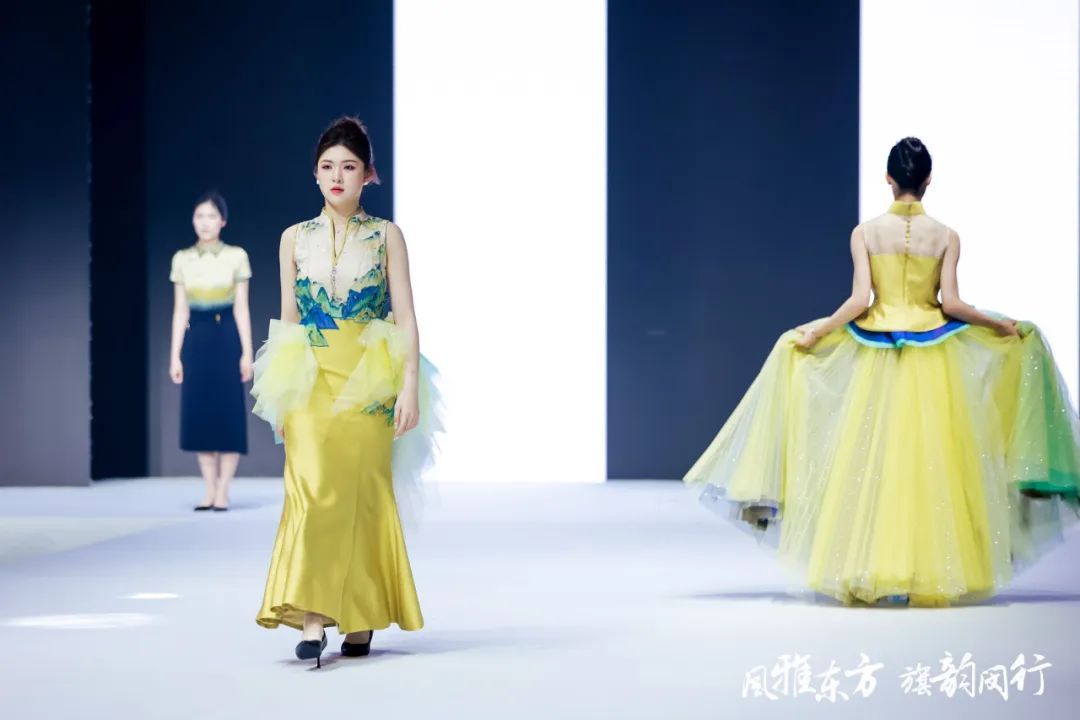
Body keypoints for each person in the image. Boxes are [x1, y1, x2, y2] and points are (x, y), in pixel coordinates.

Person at [684, 137, 1080, 607]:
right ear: (928, 180)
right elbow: (952, 304)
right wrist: (1001, 325)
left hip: (878, 351)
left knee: (875, 463)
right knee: (930, 464)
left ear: (888, 179)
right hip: (935, 356)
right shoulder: (947, 236)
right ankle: (926, 571)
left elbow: (859, 302)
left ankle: (875, 569)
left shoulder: (866, 233)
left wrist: (816, 333)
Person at [251, 117, 439, 667]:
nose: (337, 176)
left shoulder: (387, 235)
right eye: (327, 166)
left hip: (369, 378)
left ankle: (359, 616)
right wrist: (280, 392)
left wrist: (409, 386)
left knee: (363, 493)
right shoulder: (293, 238)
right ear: (314, 174)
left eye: (349, 166)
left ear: (368, 175)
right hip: (309, 375)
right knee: (311, 491)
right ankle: (314, 617)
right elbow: (288, 317)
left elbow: (406, 315)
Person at [169, 192, 253, 511]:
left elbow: (242, 308)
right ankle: (209, 489)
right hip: (197, 338)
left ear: (223, 221)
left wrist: (246, 352)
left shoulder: (236, 256)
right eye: (199, 216)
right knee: (200, 413)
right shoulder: (182, 259)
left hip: (227, 335)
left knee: (228, 413)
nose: (205, 223)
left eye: (211, 216)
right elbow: (180, 310)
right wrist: (175, 355)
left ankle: (224, 490)